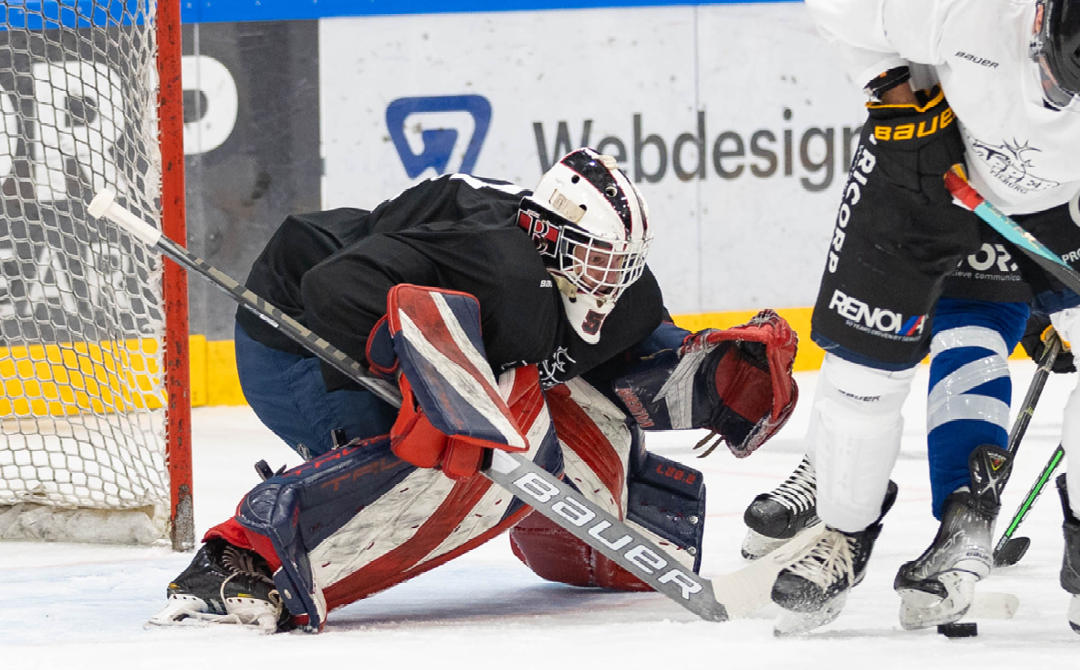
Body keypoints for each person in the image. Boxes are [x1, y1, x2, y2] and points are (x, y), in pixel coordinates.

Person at [149, 147, 800, 632]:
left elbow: (619, 359)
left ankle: (583, 548)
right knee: (469, 451)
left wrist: (713, 377)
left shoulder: (616, 294)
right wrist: (425, 379)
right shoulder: (495, 265)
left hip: (398, 313)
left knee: (522, 422)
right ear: (552, 237)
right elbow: (332, 290)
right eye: (600, 260)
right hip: (296, 333)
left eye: (622, 261)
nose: (615, 278)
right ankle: (243, 555)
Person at [748, 0, 1080, 636]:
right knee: (859, 375)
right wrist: (888, 85)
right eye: (1052, 73)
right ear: (1037, 24)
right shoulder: (968, 12)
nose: (1052, 97)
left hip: (1059, 202)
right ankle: (843, 535)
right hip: (924, 161)